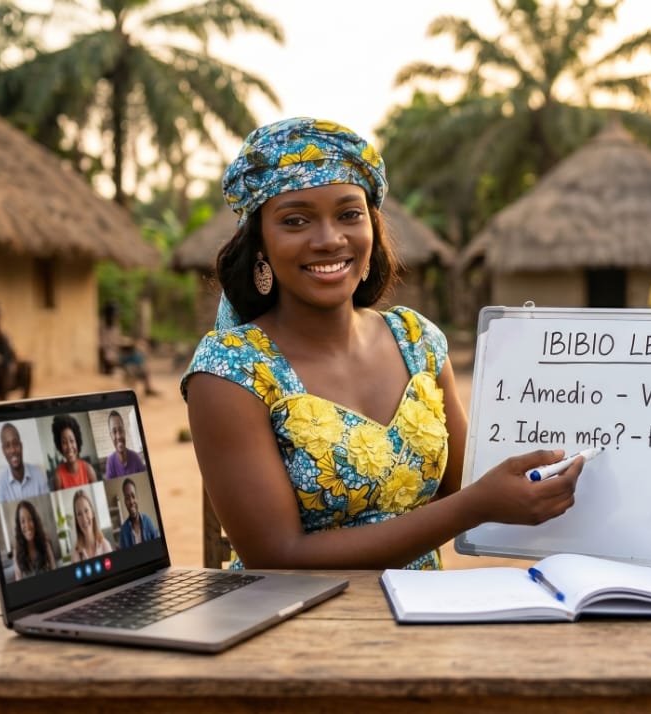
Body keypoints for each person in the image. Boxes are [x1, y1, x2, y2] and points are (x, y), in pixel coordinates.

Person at [181, 116, 583, 571]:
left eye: (349, 214)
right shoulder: (232, 369)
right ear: (260, 244)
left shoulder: (418, 342)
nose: (329, 239)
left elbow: (469, 483)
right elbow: (277, 555)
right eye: (295, 221)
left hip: (421, 623)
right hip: (295, 630)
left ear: (372, 226)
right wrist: (475, 507)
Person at [99, 302, 159, 397]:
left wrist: (132, 344)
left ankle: (146, 386)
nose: (115, 317)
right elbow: (104, 348)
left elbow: (117, 341)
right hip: (111, 359)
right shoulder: (101, 328)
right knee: (134, 364)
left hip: (117, 355)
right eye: (114, 315)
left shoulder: (115, 326)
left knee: (140, 356)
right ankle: (141, 387)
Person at [0, 423, 49, 503]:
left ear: (21, 446)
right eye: (7, 446)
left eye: (16, 444)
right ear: (3, 451)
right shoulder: (1, 482)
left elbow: (47, 502)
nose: (13, 450)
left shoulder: (38, 473)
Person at [11, 500, 57, 581]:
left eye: (30, 519)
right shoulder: (16, 552)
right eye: (23, 521)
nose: (27, 525)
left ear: (35, 521)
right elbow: (18, 584)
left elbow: (54, 573)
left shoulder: (45, 544)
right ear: (19, 525)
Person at [51, 415, 97, 489]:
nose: (69, 446)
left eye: (72, 441)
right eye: (64, 442)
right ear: (60, 446)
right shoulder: (58, 476)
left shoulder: (89, 470)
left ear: (77, 442)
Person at [71, 489, 113, 562]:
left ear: (92, 513)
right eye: (79, 514)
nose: (84, 518)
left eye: (86, 511)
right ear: (76, 520)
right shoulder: (75, 555)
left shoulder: (105, 546)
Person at [117, 478, 160, 547]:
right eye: (127, 498)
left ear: (137, 498)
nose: (131, 502)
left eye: (133, 496)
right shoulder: (123, 531)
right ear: (125, 502)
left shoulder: (148, 521)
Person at [103, 410, 146, 479]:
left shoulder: (135, 457)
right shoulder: (110, 462)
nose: (119, 436)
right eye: (114, 432)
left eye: (121, 430)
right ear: (111, 436)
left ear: (124, 432)